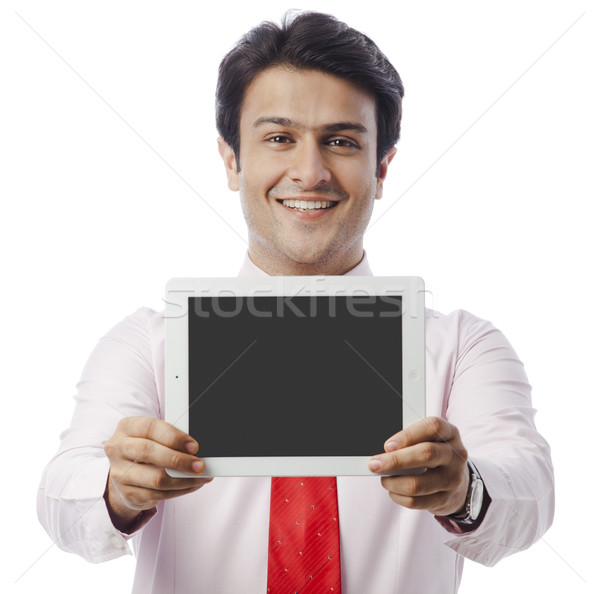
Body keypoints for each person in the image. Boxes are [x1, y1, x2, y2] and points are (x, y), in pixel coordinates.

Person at [37, 11, 554, 593]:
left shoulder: (462, 347)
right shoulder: (148, 343)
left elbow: (530, 493)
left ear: (381, 167)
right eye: (279, 138)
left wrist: (465, 490)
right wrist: (116, 487)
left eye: (340, 141)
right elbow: (61, 497)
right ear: (233, 160)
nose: (309, 173)